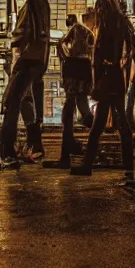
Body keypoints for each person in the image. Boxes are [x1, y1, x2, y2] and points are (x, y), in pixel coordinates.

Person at [71, 0, 135, 176]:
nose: (96, 12)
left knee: (99, 125)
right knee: (121, 123)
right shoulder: (121, 25)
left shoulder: (106, 28)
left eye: (98, 9)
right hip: (116, 77)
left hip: (106, 79)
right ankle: (128, 166)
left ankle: (87, 166)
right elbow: (132, 46)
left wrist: (96, 81)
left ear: (103, 9)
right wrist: (123, 62)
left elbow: (98, 59)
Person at [0, 0, 50, 169]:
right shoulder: (42, 3)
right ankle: (35, 144)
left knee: (11, 102)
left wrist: (15, 60)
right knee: (25, 100)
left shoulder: (30, 6)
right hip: (38, 62)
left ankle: (7, 150)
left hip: (26, 60)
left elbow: (20, 35)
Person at [58, 14, 94, 167]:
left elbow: (61, 43)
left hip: (73, 64)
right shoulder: (87, 32)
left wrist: (65, 54)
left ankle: (72, 137)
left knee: (71, 101)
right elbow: (92, 43)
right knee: (81, 100)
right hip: (84, 64)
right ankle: (91, 123)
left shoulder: (74, 29)